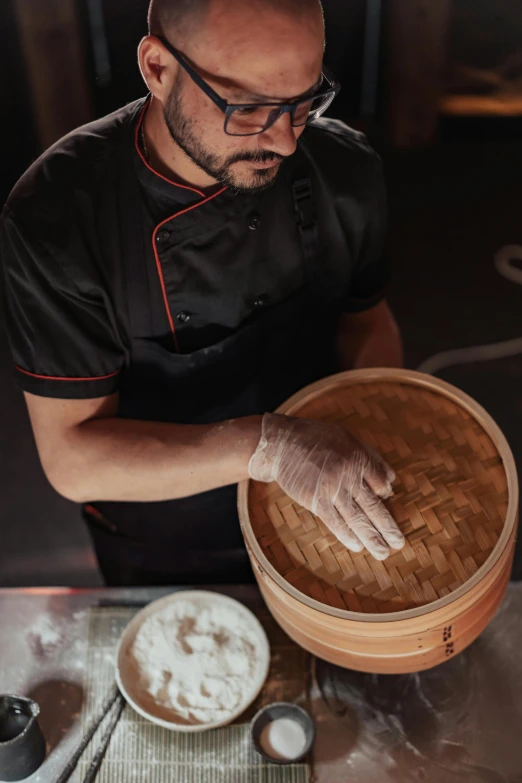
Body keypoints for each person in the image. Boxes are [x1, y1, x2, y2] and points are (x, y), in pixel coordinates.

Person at [1, 0, 405, 586]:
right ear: (158, 68)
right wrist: (269, 448)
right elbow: (74, 461)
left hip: (321, 515)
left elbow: (366, 322)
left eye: (303, 103)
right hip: (168, 536)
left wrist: (367, 441)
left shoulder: (342, 166)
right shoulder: (59, 215)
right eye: (248, 109)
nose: (287, 142)